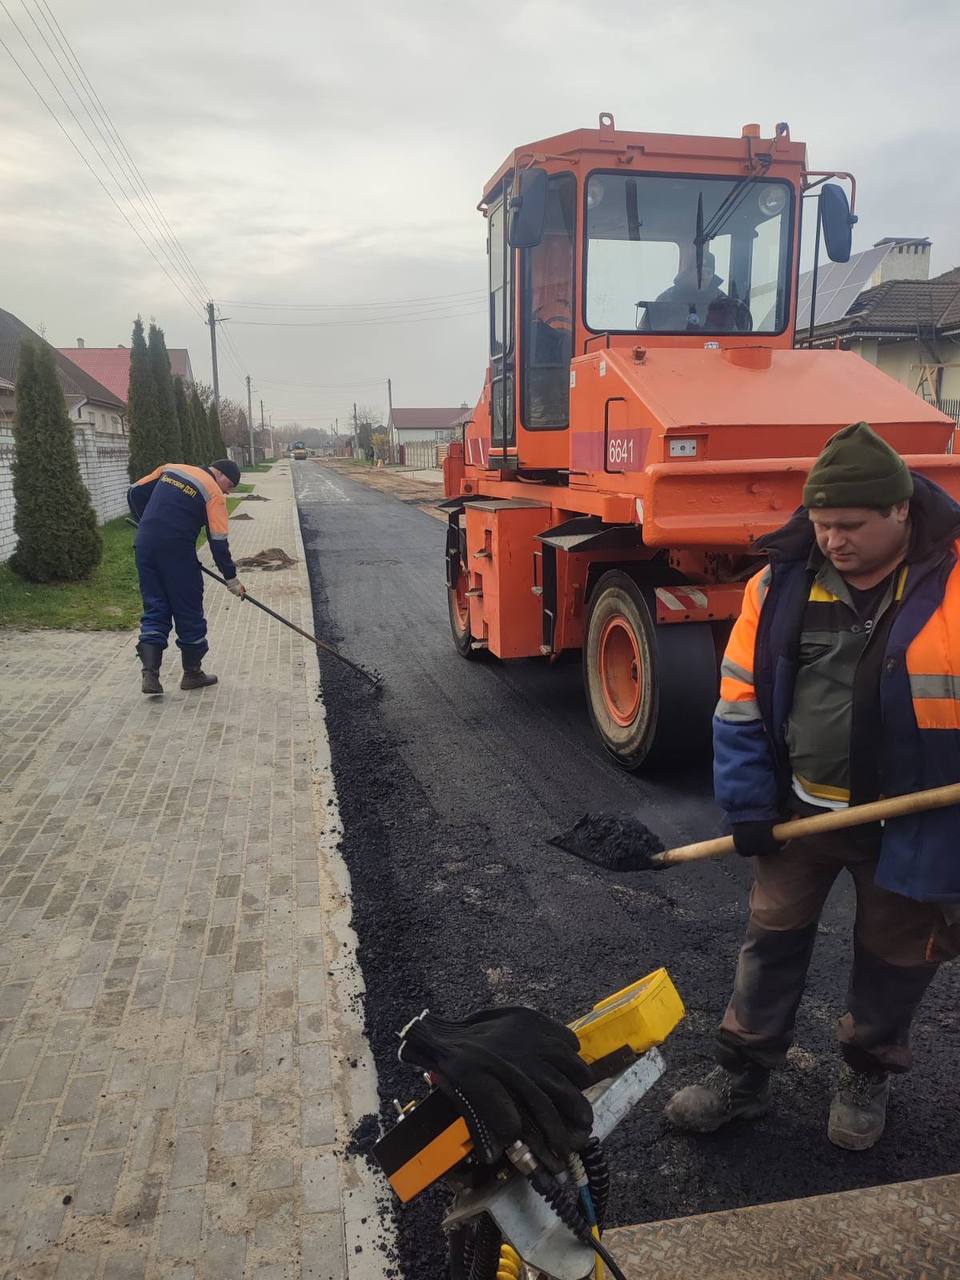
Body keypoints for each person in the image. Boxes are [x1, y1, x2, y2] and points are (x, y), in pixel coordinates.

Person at [665, 422, 960, 1150]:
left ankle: (866, 1072)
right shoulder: (779, 585)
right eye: (823, 524)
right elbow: (739, 701)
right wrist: (747, 805)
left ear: (900, 510)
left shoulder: (954, 581)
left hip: (912, 822)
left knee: (894, 958)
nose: (833, 540)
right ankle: (743, 1075)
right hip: (800, 814)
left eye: (851, 525)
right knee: (770, 943)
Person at [127, 458, 246, 696]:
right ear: (220, 474)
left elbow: (134, 492)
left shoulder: (170, 469)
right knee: (188, 608)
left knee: (155, 605)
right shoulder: (213, 493)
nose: (227, 492)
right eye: (229, 486)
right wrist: (231, 579)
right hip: (178, 552)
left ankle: (150, 674)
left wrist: (146, 523)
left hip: (145, 546)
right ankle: (192, 674)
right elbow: (218, 542)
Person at [644, 249, 746, 332]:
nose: (704, 277)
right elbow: (646, 332)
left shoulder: (722, 301)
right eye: (699, 272)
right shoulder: (667, 298)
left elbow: (734, 335)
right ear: (689, 273)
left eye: (708, 273)